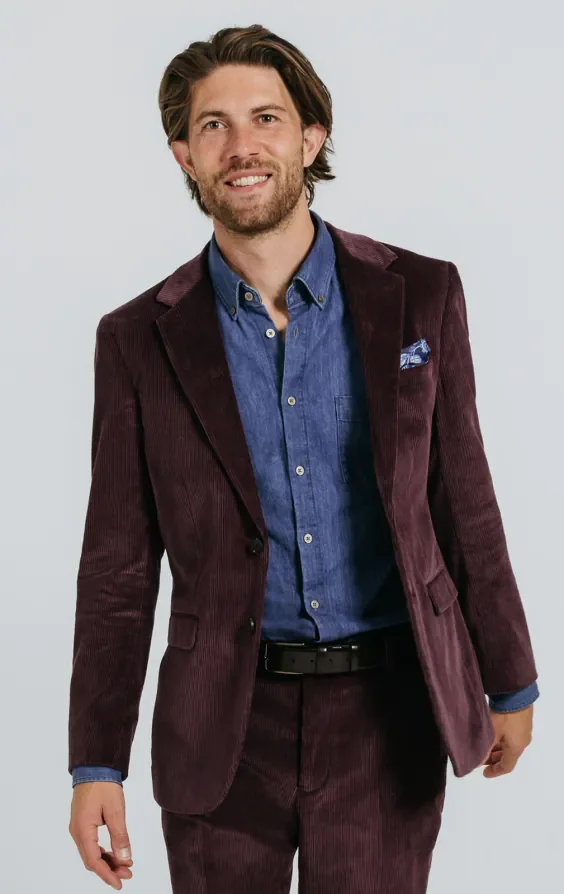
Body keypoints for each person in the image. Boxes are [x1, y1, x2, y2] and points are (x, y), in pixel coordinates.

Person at [68, 24, 539, 894]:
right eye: (213, 125)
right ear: (183, 155)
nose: (241, 147)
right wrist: (95, 762)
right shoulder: (136, 340)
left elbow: (463, 499)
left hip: (387, 718)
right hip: (221, 727)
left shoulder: (421, 295)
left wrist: (510, 678)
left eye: (266, 118)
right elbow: (118, 568)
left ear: (311, 137)